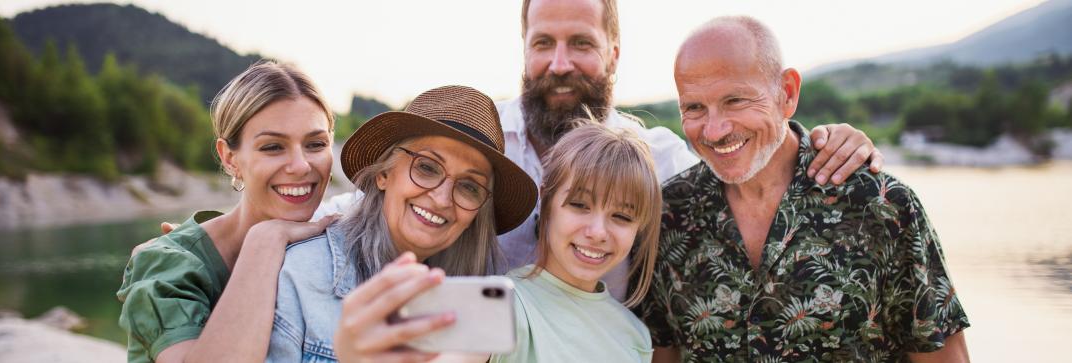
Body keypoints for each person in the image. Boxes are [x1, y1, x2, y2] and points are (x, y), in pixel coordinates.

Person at [318, 0, 888, 300]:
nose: (560, 63)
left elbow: (744, 159)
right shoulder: (482, 146)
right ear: (524, 52)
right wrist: (269, 229)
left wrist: (819, 138)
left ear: (614, 54)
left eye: (581, 44)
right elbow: (383, 200)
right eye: (544, 43)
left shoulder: (658, 158)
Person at [637, 16, 970, 362]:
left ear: (788, 93)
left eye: (735, 100)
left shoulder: (882, 207)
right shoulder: (667, 215)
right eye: (694, 108)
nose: (715, 130)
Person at [266, 85, 539, 362]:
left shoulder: (468, 307)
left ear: (476, 214)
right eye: (427, 167)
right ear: (384, 173)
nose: (443, 199)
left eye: (469, 187)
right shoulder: (302, 274)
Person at [116, 61, 340, 363]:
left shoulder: (330, 244)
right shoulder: (169, 266)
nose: (300, 165)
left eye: (316, 144)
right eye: (273, 147)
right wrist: (263, 242)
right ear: (230, 158)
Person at [490, 123, 663, 363]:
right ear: (546, 200)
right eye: (580, 205)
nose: (598, 232)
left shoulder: (636, 335)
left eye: (622, 216)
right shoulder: (501, 304)